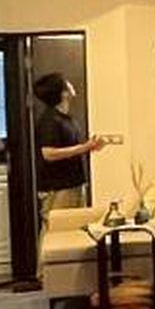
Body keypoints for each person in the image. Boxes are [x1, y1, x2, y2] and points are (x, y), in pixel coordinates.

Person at [32, 72, 110, 213]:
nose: (71, 84)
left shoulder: (68, 119)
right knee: (59, 225)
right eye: (66, 83)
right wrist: (84, 147)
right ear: (63, 93)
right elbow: (48, 154)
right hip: (59, 188)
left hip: (75, 183)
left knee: (77, 224)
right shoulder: (49, 120)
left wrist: (91, 146)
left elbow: (74, 148)